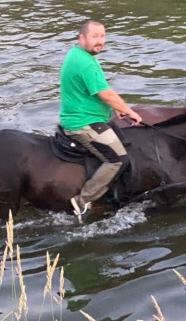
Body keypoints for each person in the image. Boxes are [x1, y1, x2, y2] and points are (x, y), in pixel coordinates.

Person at [60, 20, 143, 217]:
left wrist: (115, 109)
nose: (100, 41)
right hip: (83, 123)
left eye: (102, 36)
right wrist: (129, 111)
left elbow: (95, 93)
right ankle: (82, 201)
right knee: (118, 160)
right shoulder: (86, 63)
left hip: (88, 115)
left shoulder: (77, 54)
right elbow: (105, 93)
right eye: (94, 37)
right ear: (82, 38)